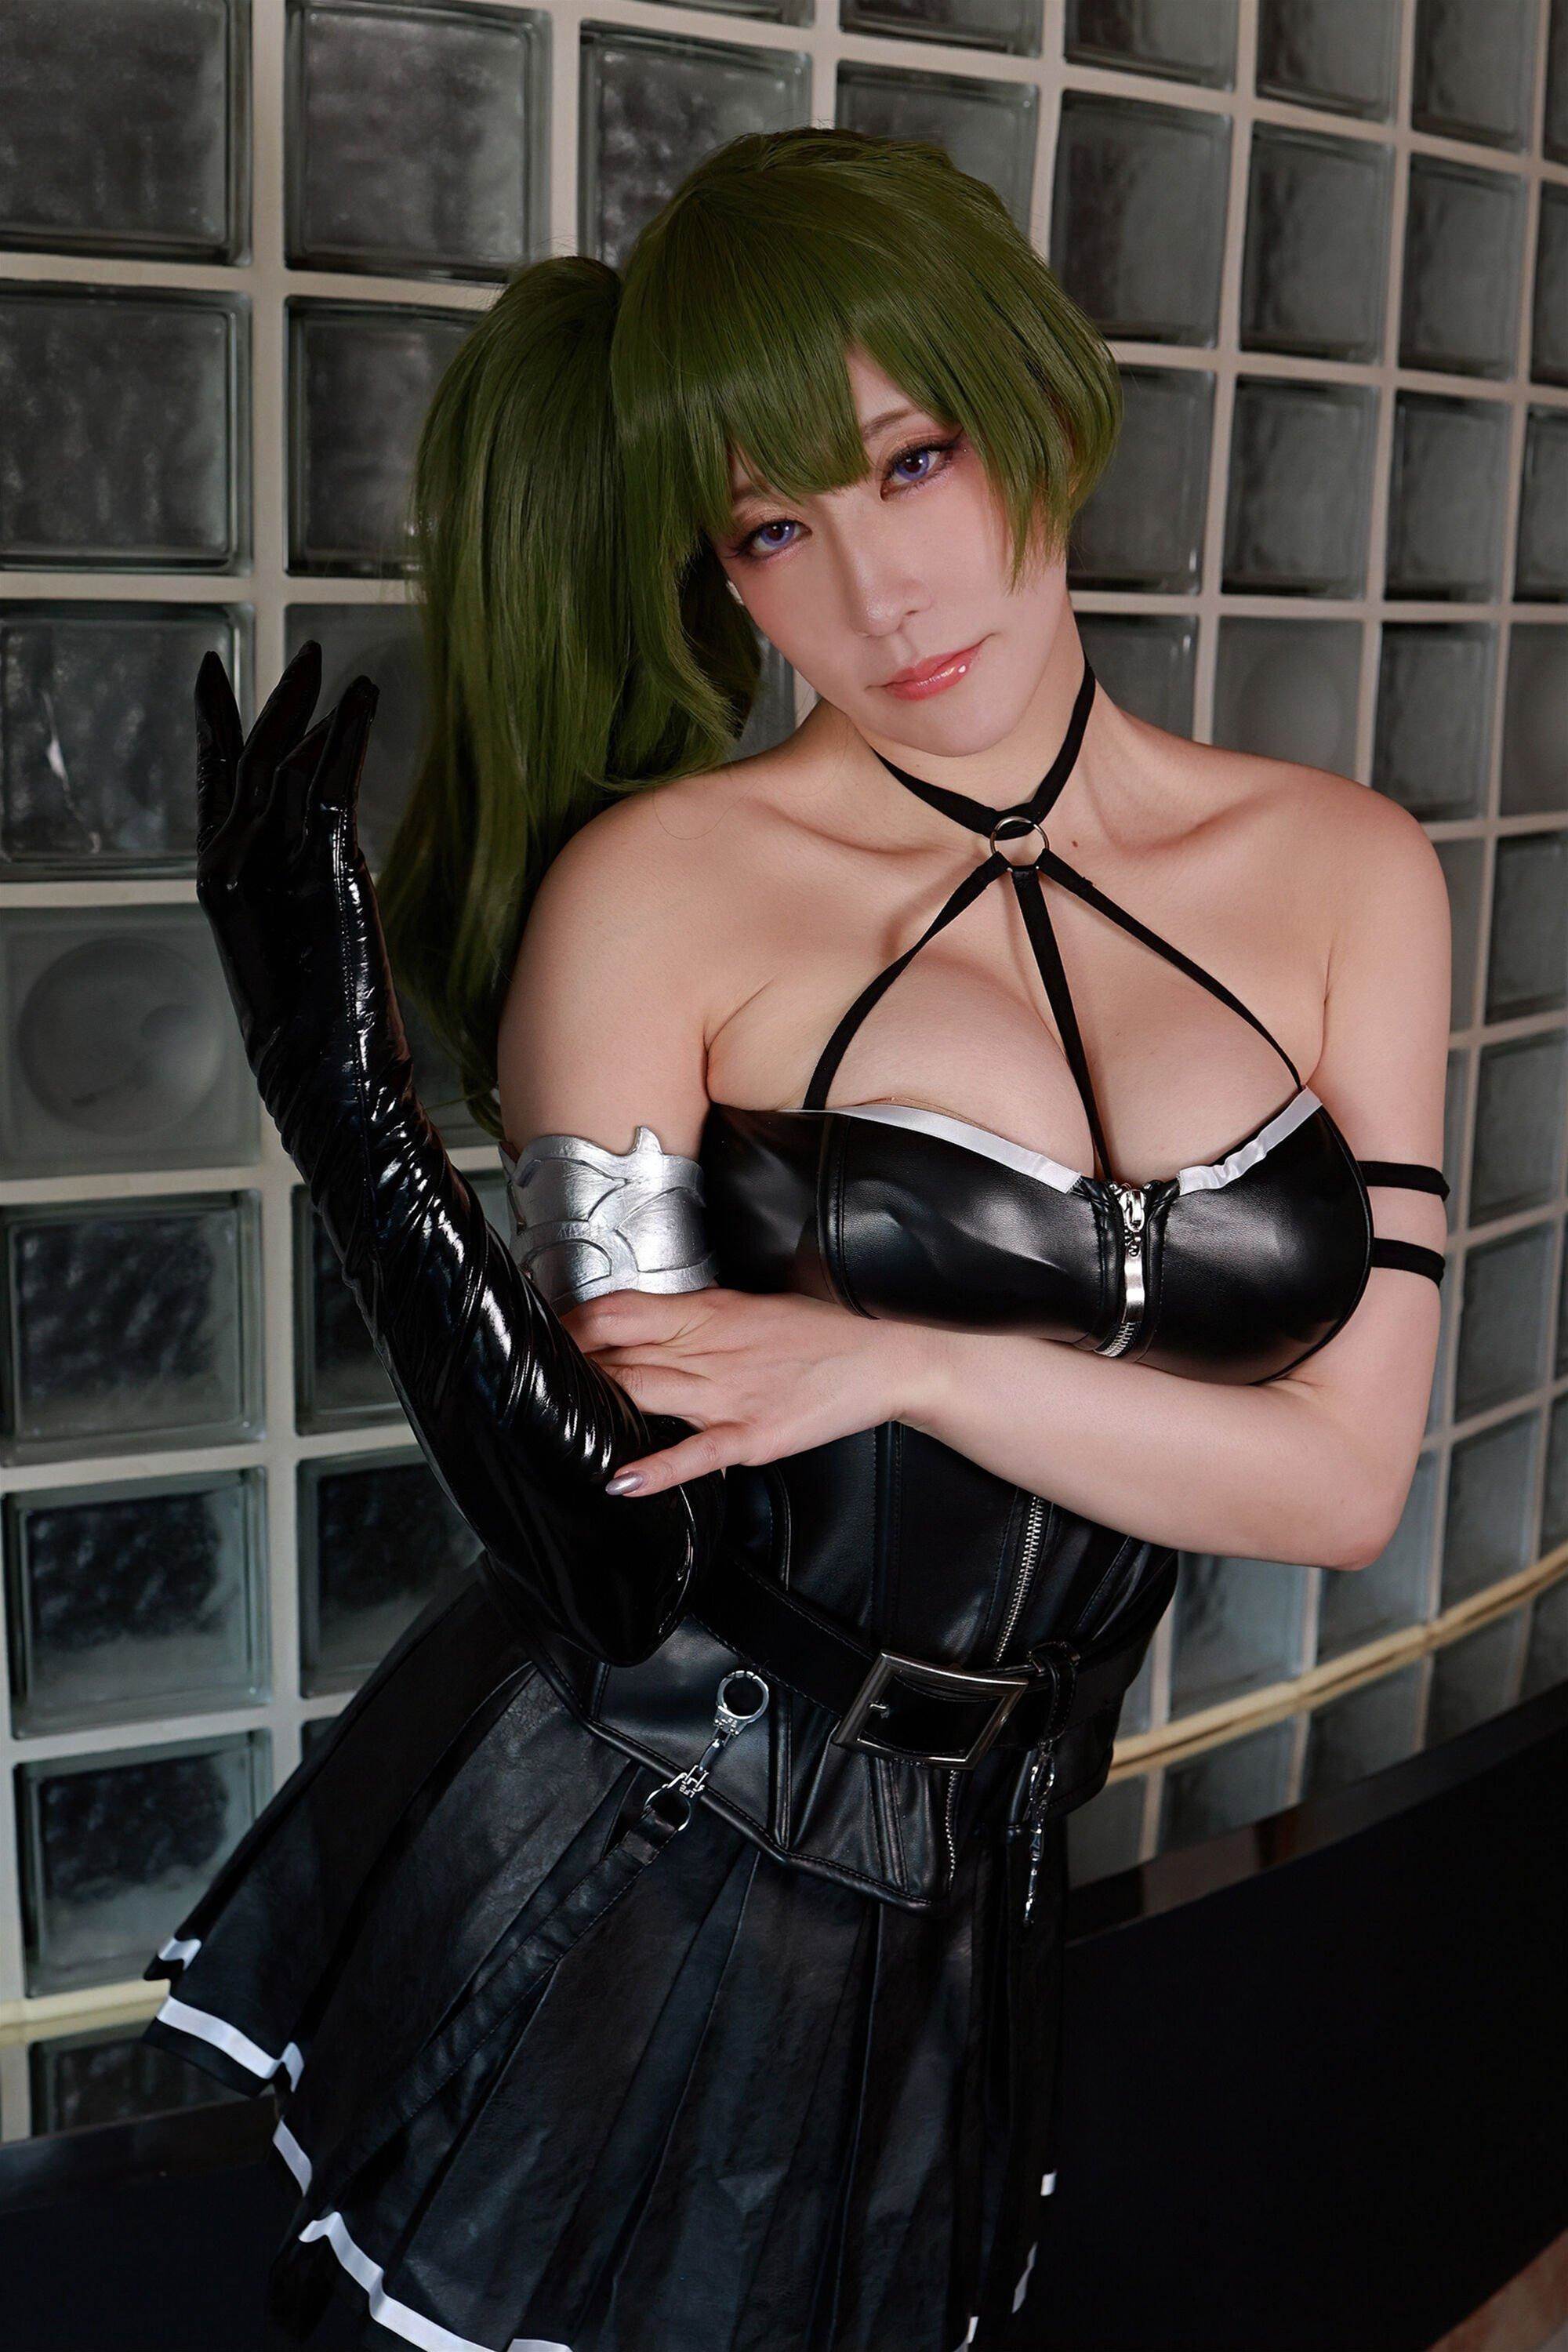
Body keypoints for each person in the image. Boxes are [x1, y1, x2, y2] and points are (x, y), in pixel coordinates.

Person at [140, 128, 1450, 2352]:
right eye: (775, 528)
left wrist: (905, 1356)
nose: (883, 595)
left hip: (987, 1881)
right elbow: (622, 1558)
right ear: (723, 576)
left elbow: (1343, 1485)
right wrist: (348, 1121)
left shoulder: (1352, 875)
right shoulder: (660, 895)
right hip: (642, 1849)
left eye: (914, 461)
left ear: (1040, 404)